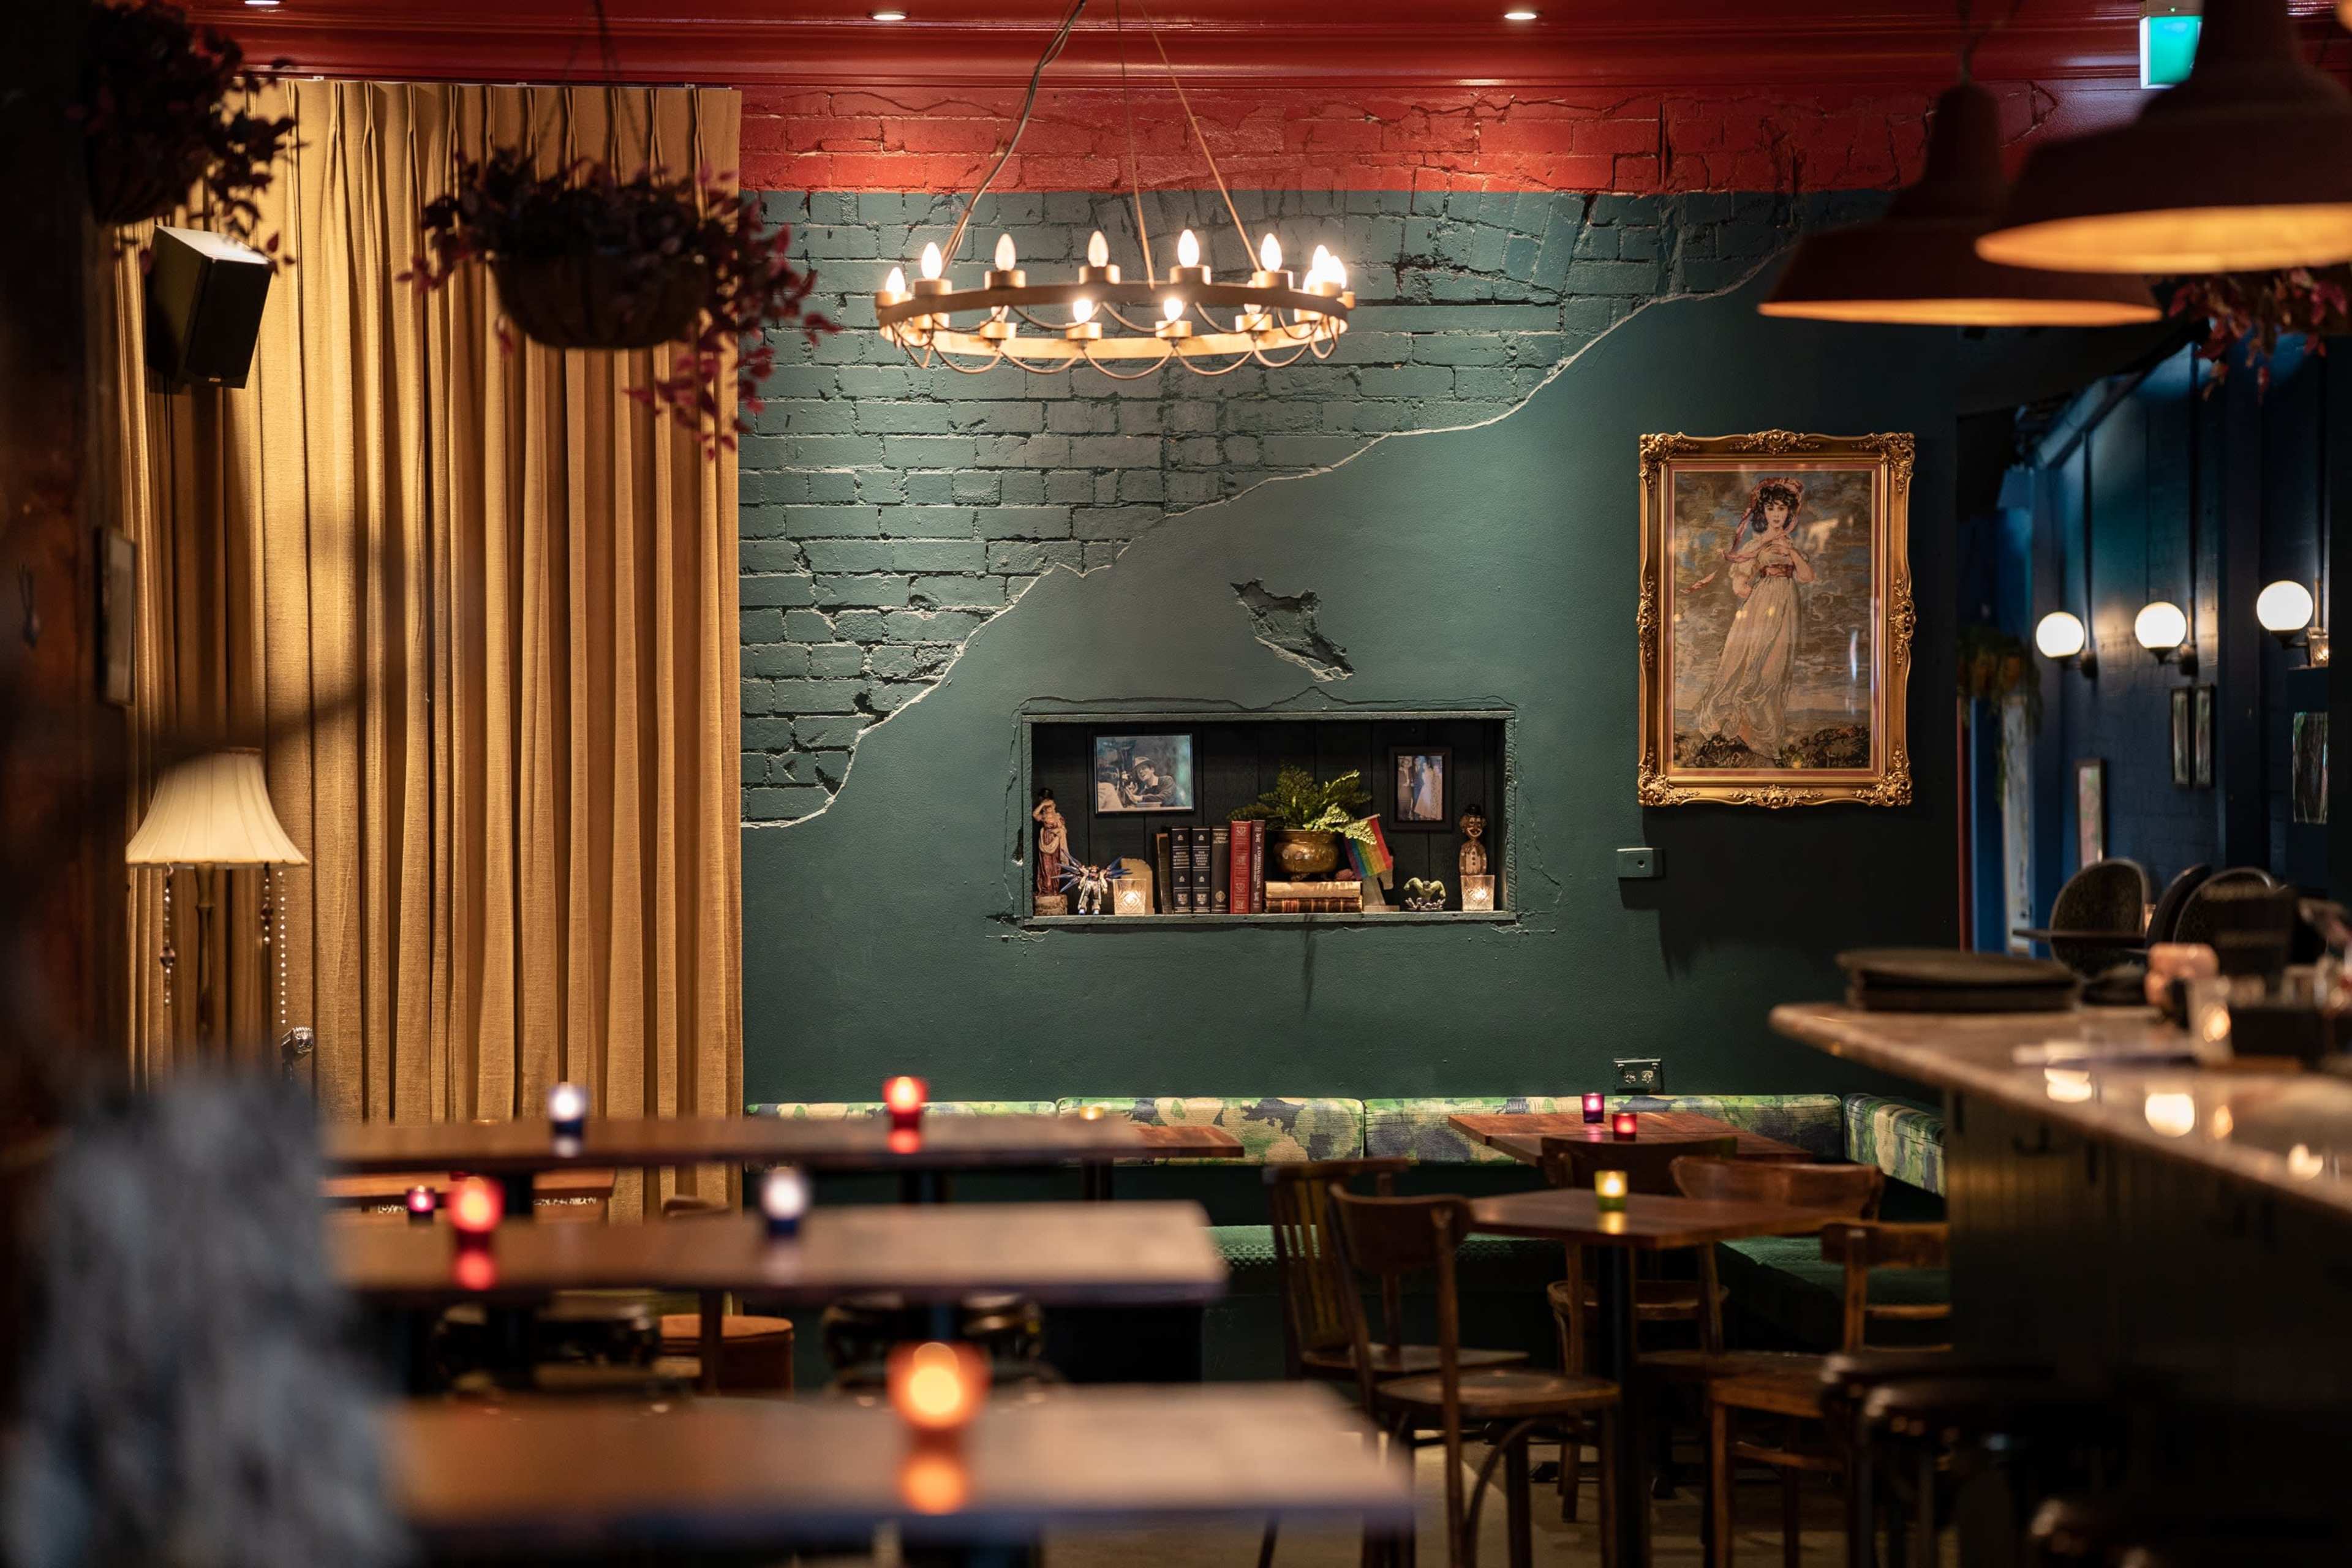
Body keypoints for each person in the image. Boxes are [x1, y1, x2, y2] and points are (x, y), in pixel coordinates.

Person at [1690, 477, 1815, 762]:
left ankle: (1762, 734)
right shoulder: (1757, 544)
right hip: (1762, 607)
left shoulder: (1791, 545)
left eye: (1782, 509)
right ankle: (1736, 724)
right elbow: (1740, 584)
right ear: (1763, 512)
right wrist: (1751, 589)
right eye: (1771, 509)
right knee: (1748, 661)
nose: (1776, 515)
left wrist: (1791, 552)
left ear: (1789, 512)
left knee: (1775, 667)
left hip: (1787, 608)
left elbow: (1807, 577)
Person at [1033, 790, 1071, 897]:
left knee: (1055, 865)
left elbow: (1064, 830)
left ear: (1054, 805)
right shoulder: (1043, 817)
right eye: (1047, 806)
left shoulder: (1058, 817)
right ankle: (1047, 889)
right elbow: (1035, 815)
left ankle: (1054, 889)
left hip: (1055, 841)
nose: (1049, 808)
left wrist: (1058, 831)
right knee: (1046, 866)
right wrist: (1042, 805)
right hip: (1045, 841)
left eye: (1050, 805)